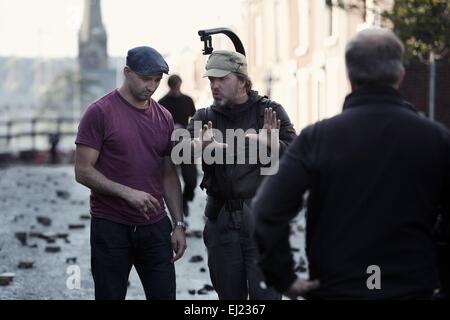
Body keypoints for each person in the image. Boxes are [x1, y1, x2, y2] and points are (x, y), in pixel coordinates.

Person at [252, 28, 450, 299]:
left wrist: (284, 278)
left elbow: (266, 210)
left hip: (339, 288)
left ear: (350, 76)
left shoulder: (317, 138)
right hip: (411, 287)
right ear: (400, 75)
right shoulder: (436, 138)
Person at [74, 46, 187, 300]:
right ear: (127, 72)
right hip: (111, 226)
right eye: (146, 78)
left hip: (155, 226)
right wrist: (127, 193)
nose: (152, 86)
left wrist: (179, 224)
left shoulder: (164, 117)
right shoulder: (99, 112)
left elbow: (169, 174)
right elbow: (82, 171)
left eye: (157, 80)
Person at [186, 50, 297, 300]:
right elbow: (176, 153)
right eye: (211, 80)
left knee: (266, 297)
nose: (214, 85)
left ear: (243, 81)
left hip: (262, 219)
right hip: (221, 220)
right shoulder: (204, 117)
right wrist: (198, 146)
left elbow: (298, 158)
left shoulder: (269, 112)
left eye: (222, 79)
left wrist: (273, 143)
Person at [159, 75, 197, 217]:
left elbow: (194, 119)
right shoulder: (162, 102)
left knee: (191, 179)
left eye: (178, 87)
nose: (176, 90)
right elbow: (157, 124)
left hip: (186, 143)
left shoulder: (187, 100)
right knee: (169, 177)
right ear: (170, 86)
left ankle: (185, 199)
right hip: (168, 145)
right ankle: (177, 208)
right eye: (174, 87)